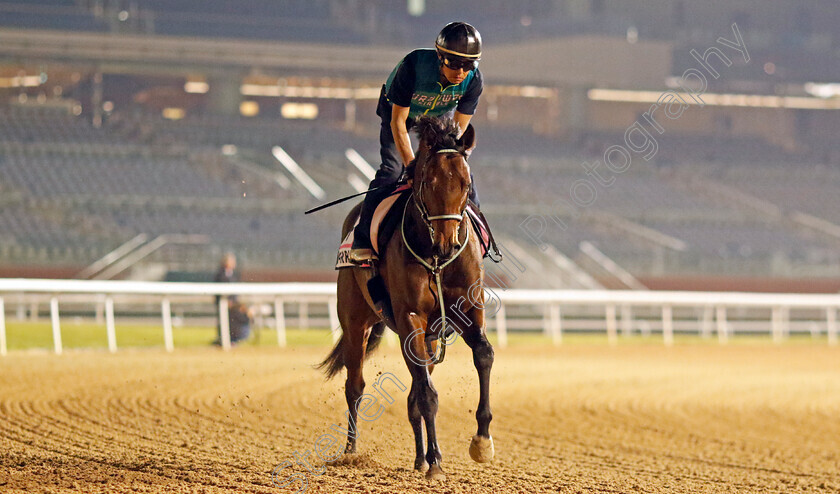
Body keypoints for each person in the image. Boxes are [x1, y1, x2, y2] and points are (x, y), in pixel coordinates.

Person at [349, 21, 484, 264]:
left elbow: (458, 131)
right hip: (398, 111)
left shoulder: (474, 81)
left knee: (462, 177)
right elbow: (399, 123)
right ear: (440, 57)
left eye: (468, 65)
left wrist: (450, 160)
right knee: (392, 171)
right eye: (454, 63)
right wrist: (414, 167)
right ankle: (362, 239)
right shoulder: (413, 66)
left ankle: (481, 237)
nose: (461, 72)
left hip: (437, 116)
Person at [212, 252, 238, 345]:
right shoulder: (220, 274)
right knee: (223, 321)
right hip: (222, 302)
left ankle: (232, 339)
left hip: (232, 304)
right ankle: (221, 339)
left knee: (232, 322)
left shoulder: (233, 274)